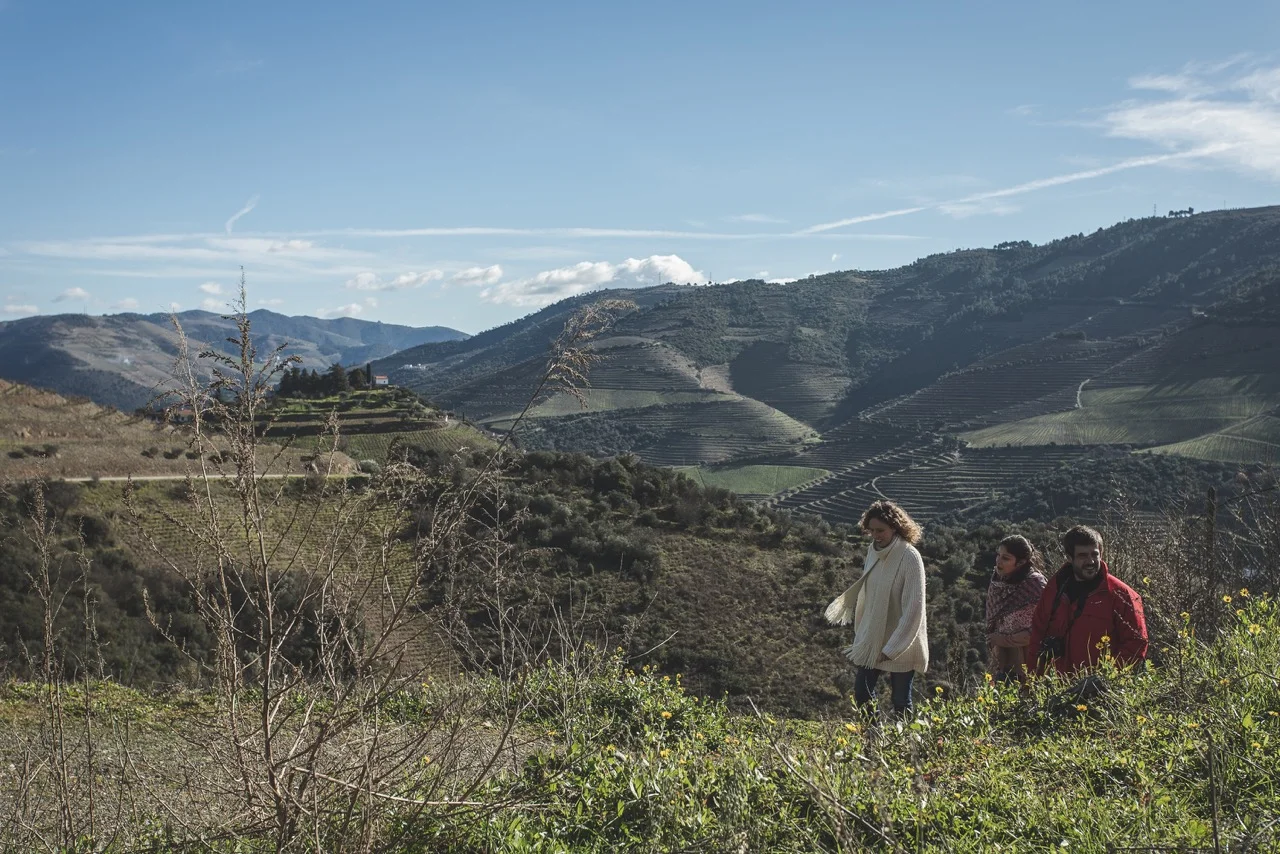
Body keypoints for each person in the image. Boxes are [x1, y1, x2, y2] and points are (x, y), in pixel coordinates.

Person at [825, 500, 929, 715]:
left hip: (903, 642)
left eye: (880, 530)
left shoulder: (909, 557)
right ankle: (873, 740)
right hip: (873, 638)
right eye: (871, 530)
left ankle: (902, 745)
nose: (875, 535)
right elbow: (868, 596)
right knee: (862, 694)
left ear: (895, 527)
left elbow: (914, 608)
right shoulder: (873, 551)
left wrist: (892, 649)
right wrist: (863, 633)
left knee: (901, 702)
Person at [1028, 525, 1148, 677]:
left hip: (1104, 692)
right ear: (1070, 558)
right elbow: (1037, 635)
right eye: (1083, 555)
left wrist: (1103, 679)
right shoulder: (1053, 590)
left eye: (1095, 554)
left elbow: (1136, 643)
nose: (1090, 561)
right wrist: (1031, 682)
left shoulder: (1122, 595)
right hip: (1057, 687)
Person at [985, 534, 1048, 682]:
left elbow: (1043, 627)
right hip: (1001, 657)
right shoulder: (998, 581)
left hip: (1028, 659)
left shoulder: (1035, 585)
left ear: (1021, 563)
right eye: (998, 555)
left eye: (1006, 558)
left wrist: (1005, 639)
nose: (998, 561)